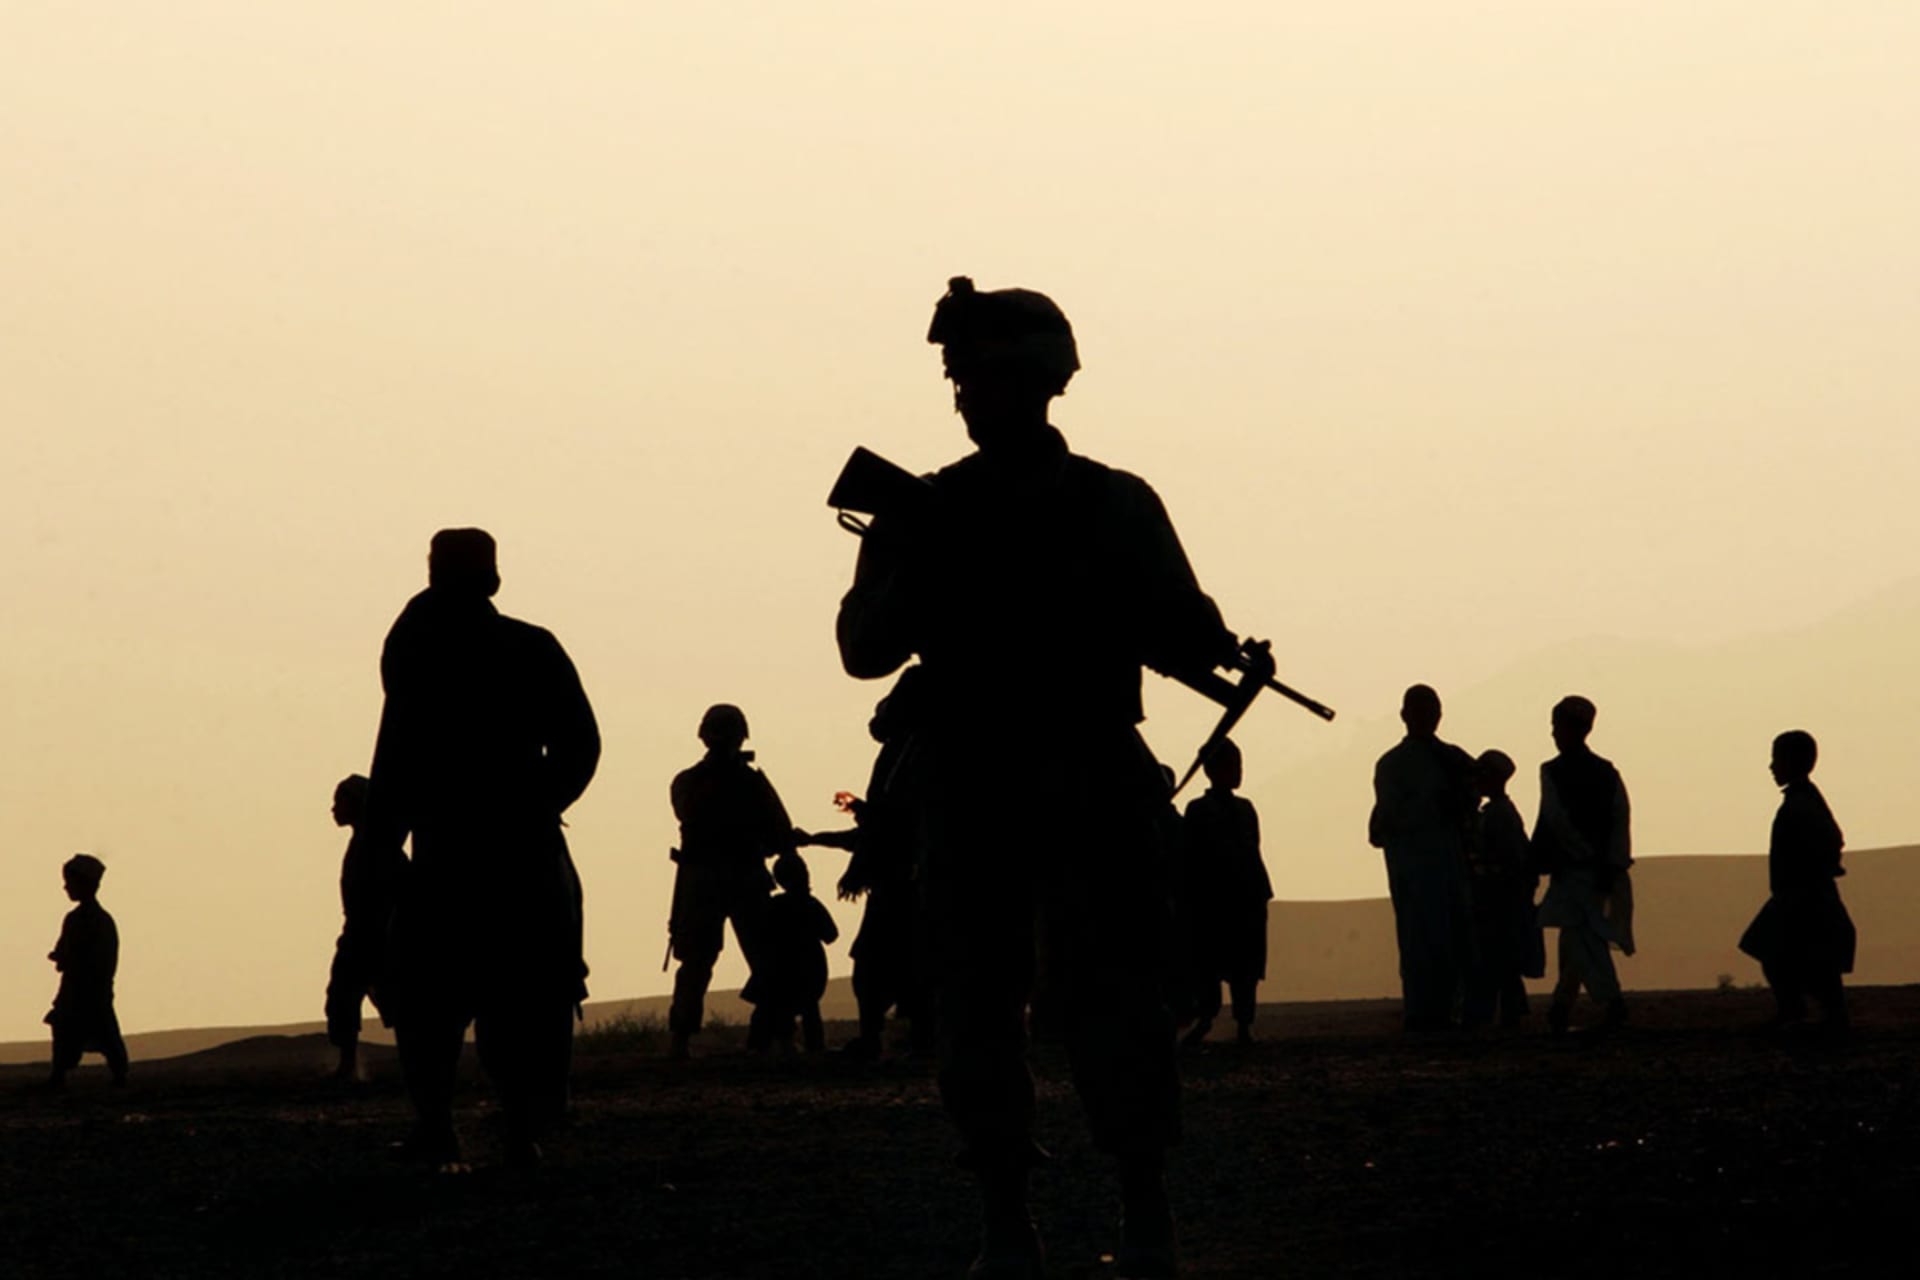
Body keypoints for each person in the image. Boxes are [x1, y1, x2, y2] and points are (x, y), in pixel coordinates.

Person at [837, 276, 1239, 1279]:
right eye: (964, 377)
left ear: (1035, 382)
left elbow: (1179, 624)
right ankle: (1016, 1215)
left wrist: (1206, 638)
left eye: (980, 375)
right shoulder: (932, 510)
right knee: (981, 1005)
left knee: (1111, 1000)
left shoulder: (1109, 503)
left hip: (1067, 771)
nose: (966, 395)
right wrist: (924, 564)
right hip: (992, 778)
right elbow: (862, 646)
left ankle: (1129, 1209)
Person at [365, 528, 599, 1167]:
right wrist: (537, 805)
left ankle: (454, 1127)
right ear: (493, 580)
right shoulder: (522, 647)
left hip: (454, 849)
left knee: (436, 999)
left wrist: (385, 838)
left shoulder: (414, 648)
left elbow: (395, 756)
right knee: (520, 993)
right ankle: (510, 1129)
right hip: (507, 849)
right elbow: (581, 747)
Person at [793, 667, 932, 1059]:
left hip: (907, 881)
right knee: (898, 962)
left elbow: (890, 827)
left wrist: (850, 820)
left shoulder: (913, 754)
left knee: (881, 963)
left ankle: (887, 1036)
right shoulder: (905, 753)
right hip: (906, 878)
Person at [667, 704, 802, 1058]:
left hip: (709, 879)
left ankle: (682, 1040)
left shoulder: (689, 782)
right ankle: (780, 1036)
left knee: (706, 962)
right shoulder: (743, 782)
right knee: (757, 958)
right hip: (735, 876)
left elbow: (777, 833)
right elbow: (779, 833)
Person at [1367, 685, 1477, 1032]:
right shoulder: (1393, 765)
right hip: (1414, 867)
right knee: (1421, 939)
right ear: (1405, 716)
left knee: (1450, 938)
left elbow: (1472, 798)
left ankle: (1446, 1009)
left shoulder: (1454, 759)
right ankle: (1423, 1009)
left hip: (1447, 864)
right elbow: (1389, 819)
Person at [1738, 730, 1853, 1035]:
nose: (1772, 767)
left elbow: (1828, 842)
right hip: (1804, 891)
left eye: (1777, 759)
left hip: (1802, 893)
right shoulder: (1805, 800)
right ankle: (1812, 1012)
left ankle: (1804, 1012)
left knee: (1780, 950)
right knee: (1800, 954)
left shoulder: (1801, 804)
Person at [1531, 695, 1633, 1036]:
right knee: (1577, 938)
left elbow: (1554, 821)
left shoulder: (1554, 773)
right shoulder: (1606, 773)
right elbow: (1620, 820)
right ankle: (1561, 1006)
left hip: (1579, 870)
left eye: (1557, 726)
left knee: (1581, 940)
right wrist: (1610, 862)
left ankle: (1611, 1002)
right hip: (1597, 869)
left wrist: (1579, 857)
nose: (1554, 734)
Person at [1179, 740, 1272, 1048]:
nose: (1237, 772)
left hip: (1245, 896)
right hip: (1214, 899)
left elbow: (1252, 850)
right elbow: (1192, 858)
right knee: (1208, 965)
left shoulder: (1245, 809)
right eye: (1232, 766)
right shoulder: (1199, 811)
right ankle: (1207, 1019)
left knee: (1245, 968)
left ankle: (1244, 1023)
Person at [324, 773, 408, 1080]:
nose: (333, 809)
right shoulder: (368, 843)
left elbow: (403, 887)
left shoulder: (378, 847)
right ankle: (348, 1063)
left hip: (379, 936)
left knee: (397, 1002)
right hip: (360, 934)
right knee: (343, 997)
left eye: (339, 802)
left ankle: (413, 1063)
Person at [1462, 750, 1539, 1029]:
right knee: (1501, 962)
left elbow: (1508, 861)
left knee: (1495, 961)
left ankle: (1493, 1016)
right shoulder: (1500, 813)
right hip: (1501, 899)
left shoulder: (1499, 816)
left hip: (1497, 900)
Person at [742, 856, 841, 1053]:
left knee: (767, 1008)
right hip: (808, 971)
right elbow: (831, 935)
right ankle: (813, 1046)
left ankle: (762, 1046)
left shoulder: (774, 906)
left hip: (779, 973)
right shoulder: (810, 904)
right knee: (809, 1009)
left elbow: (759, 936)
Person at [46, 853, 129, 1087]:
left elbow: (97, 957)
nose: (66, 887)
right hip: (80, 988)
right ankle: (59, 1074)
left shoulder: (95, 921)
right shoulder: (80, 919)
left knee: (101, 1030)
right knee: (67, 1029)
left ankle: (118, 1073)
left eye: (70, 882)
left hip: (89, 988)